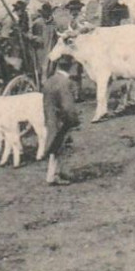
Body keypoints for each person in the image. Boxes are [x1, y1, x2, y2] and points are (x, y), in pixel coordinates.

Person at [42, 55, 83, 186]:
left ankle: (55, 173)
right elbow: (68, 106)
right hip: (61, 121)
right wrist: (74, 121)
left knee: (55, 147)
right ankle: (53, 176)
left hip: (50, 118)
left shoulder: (50, 81)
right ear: (71, 67)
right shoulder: (65, 83)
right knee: (59, 148)